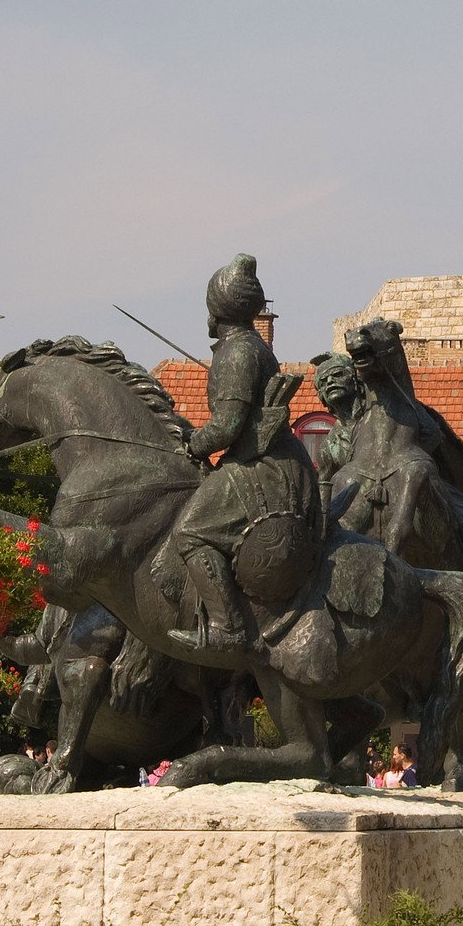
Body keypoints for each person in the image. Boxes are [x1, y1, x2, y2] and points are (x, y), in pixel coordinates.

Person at [165, 255, 316, 663]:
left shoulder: (236, 353)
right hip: (278, 457)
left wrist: (193, 443)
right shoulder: (252, 346)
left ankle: (228, 628)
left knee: (191, 533)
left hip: (262, 464)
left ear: (216, 308)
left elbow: (228, 426)